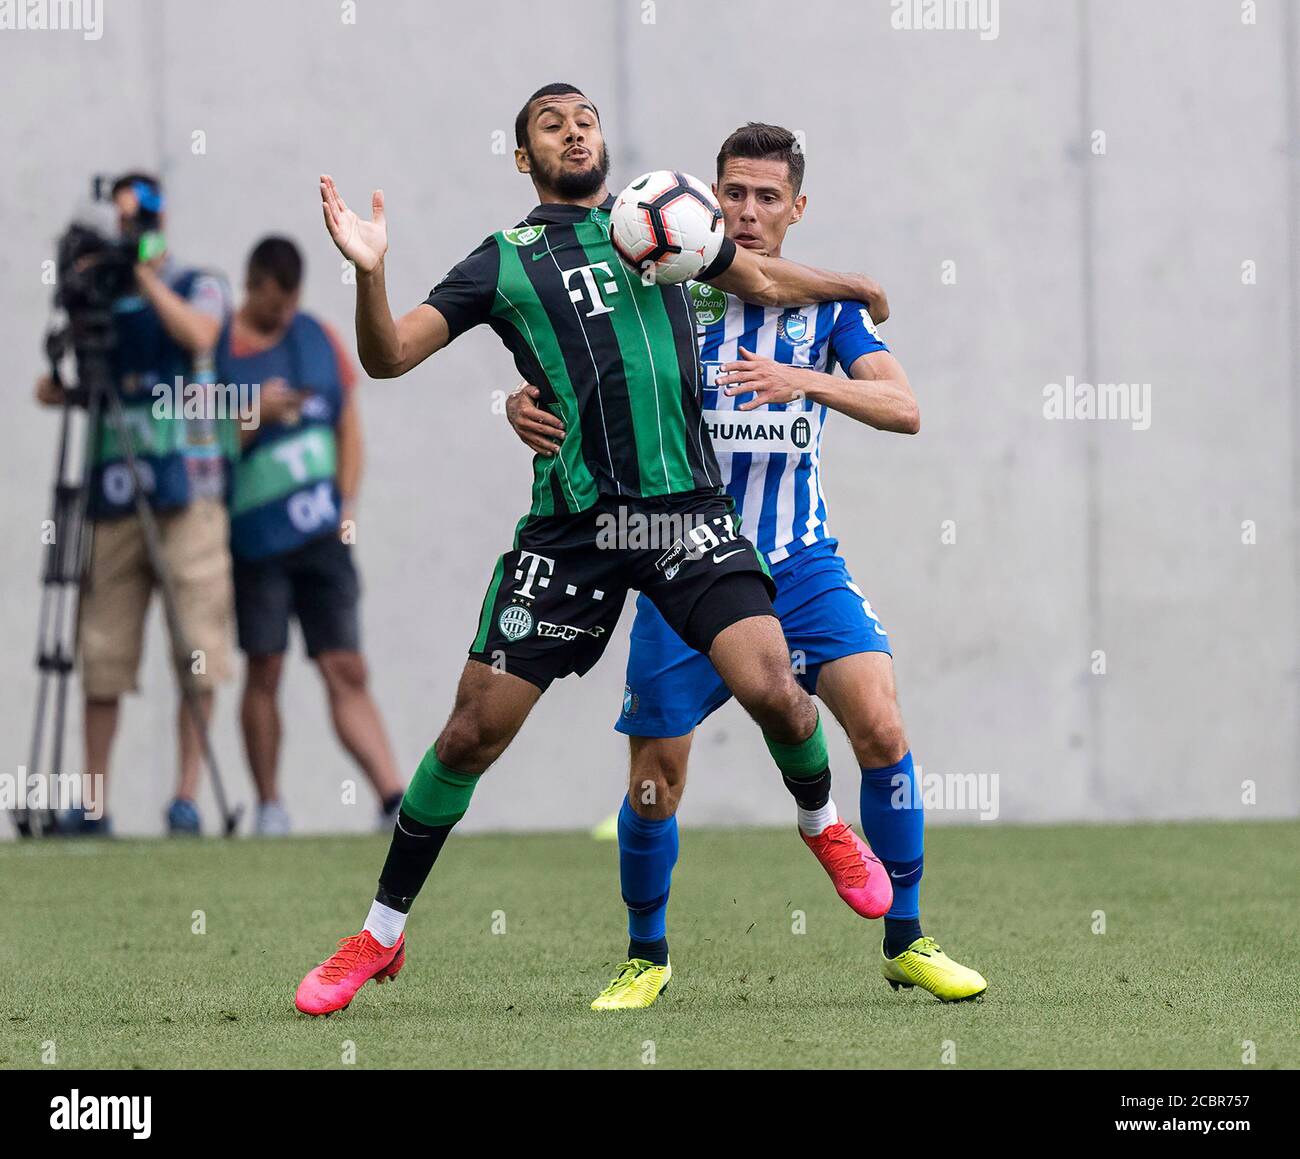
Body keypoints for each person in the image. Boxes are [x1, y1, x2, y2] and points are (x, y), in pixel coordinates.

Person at [293, 83, 893, 1016]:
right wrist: (370, 273)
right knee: (470, 731)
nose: (574, 131)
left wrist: (854, 286)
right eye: (549, 124)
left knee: (775, 684)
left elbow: (766, 281)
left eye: (585, 119)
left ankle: (822, 820)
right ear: (524, 159)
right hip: (576, 531)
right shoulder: (504, 260)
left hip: (685, 512)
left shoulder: (662, 221)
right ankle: (378, 934)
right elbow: (388, 356)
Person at [509, 123, 986, 1006]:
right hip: (681, 562)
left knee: (879, 722)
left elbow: (904, 407)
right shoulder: (664, 288)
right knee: (655, 781)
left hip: (801, 563)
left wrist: (810, 381)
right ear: (706, 199)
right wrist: (521, 401)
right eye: (735, 193)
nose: (750, 212)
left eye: (769, 197)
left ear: (797, 208)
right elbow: (565, 361)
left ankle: (908, 937)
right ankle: (645, 955)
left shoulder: (824, 313)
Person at [34, 172, 234, 836]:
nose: (125, 234)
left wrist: (142, 276)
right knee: (104, 648)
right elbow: (86, 381)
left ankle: (185, 797)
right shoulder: (100, 296)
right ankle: (92, 802)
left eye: (136, 221)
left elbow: (200, 335)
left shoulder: (196, 282)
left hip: (188, 492)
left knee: (197, 647)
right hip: (111, 494)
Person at [218, 236, 405, 835]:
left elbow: (348, 425)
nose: (280, 313)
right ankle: (271, 805)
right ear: (250, 286)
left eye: (288, 301)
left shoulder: (317, 337)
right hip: (255, 542)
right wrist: (254, 417)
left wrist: (345, 505)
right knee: (264, 668)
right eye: (270, 303)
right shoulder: (217, 350)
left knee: (345, 665)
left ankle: (390, 797)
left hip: (322, 538)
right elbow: (201, 444)